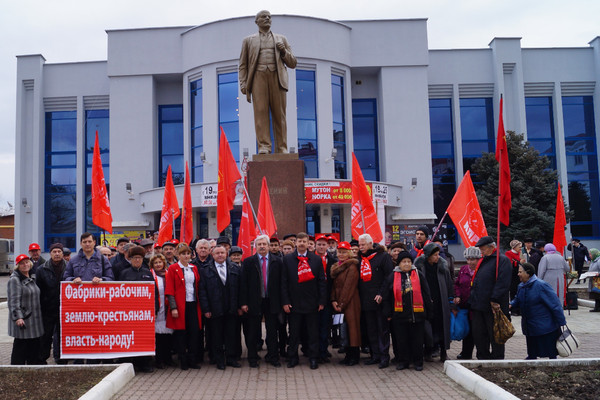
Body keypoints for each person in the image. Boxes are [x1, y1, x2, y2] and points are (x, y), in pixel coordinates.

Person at [239, 10, 297, 154]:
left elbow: (293, 63)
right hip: (258, 77)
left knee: (280, 115)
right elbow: (243, 64)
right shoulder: (248, 40)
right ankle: (264, 147)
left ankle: (282, 147)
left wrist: (283, 52)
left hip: (277, 78)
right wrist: (243, 83)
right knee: (260, 114)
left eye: (269, 17)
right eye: (263, 17)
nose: (267, 19)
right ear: (256, 21)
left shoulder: (281, 39)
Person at [281, 232, 326, 370]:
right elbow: (284, 282)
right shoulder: (288, 259)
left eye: (304, 241)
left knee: (312, 333)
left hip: (312, 303)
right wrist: (285, 301)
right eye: (299, 241)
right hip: (294, 303)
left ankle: (313, 358)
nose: (301, 243)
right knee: (294, 333)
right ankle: (293, 357)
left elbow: (321, 282)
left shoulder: (316, 259)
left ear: (308, 243)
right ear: (295, 243)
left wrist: (321, 301)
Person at [382, 251, 432, 371]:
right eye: (404, 262)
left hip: (417, 315)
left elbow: (426, 293)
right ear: (399, 263)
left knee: (418, 340)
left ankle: (418, 362)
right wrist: (388, 313)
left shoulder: (418, 274)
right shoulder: (393, 276)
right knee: (401, 340)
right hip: (399, 314)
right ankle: (403, 361)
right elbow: (386, 296)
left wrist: (429, 311)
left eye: (409, 262)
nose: (406, 264)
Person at [240, 235, 283, 367]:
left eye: (264, 244)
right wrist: (244, 303)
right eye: (259, 244)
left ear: (269, 246)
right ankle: (253, 358)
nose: (262, 246)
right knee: (253, 331)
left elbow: (282, 283)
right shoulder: (248, 262)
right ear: (255, 247)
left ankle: (273, 356)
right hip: (254, 301)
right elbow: (243, 284)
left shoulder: (278, 261)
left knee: (272, 330)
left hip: (272, 301)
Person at [510, 263, 566, 359]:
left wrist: (561, 322)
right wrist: (510, 305)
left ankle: (553, 367)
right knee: (532, 349)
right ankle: (532, 360)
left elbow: (555, 304)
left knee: (550, 351)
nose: (518, 274)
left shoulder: (541, 286)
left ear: (528, 273)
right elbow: (517, 299)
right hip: (529, 325)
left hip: (545, 325)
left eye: (520, 272)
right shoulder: (521, 286)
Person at [468, 236, 512, 360]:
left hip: (493, 306)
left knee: (495, 335)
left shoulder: (502, 260)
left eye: (483, 249)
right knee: (479, 334)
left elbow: (503, 283)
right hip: (478, 305)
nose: (481, 252)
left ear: (492, 247)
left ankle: (497, 358)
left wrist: (495, 299)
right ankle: (483, 357)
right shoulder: (484, 261)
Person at [199, 245, 242, 370]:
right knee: (216, 336)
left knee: (231, 335)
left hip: (231, 308)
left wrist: (239, 306)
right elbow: (202, 291)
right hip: (215, 309)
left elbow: (240, 289)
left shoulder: (234, 268)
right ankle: (219, 360)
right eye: (217, 253)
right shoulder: (206, 270)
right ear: (212, 255)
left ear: (226, 254)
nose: (220, 255)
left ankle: (231, 358)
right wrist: (206, 309)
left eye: (222, 253)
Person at [357, 233, 394, 369]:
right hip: (365, 300)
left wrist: (381, 294)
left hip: (380, 300)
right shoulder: (360, 259)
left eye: (363, 245)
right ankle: (375, 355)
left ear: (370, 243)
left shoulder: (383, 257)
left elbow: (389, 277)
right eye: (359, 245)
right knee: (371, 329)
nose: (360, 247)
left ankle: (384, 357)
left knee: (382, 330)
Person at [414, 243, 456, 362]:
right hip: (426, 303)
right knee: (427, 328)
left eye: (438, 254)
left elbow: (449, 284)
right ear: (428, 256)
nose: (438, 257)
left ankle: (443, 352)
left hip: (441, 303)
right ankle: (427, 351)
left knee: (442, 327)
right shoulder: (420, 268)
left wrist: (450, 300)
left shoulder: (442, 268)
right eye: (435, 255)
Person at [165, 243, 202, 370]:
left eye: (188, 253)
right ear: (178, 255)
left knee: (194, 332)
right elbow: (169, 289)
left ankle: (192, 359)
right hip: (180, 305)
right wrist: (173, 307)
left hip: (193, 304)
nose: (186, 256)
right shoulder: (173, 268)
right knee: (181, 333)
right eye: (183, 254)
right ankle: (183, 360)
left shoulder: (194, 268)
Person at [119, 246, 155, 372]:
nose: (137, 260)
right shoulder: (124, 273)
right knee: (130, 338)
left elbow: (153, 293)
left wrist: (154, 310)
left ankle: (145, 363)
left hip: (144, 314)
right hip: (128, 314)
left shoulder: (147, 273)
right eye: (135, 258)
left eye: (140, 258)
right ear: (130, 259)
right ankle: (131, 363)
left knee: (143, 338)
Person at [8, 254, 44, 365]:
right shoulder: (15, 280)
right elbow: (13, 301)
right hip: (24, 321)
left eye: (27, 262)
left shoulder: (32, 277)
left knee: (33, 348)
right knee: (20, 348)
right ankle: (16, 371)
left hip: (34, 321)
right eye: (22, 263)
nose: (25, 265)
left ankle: (32, 369)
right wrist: (18, 317)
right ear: (17, 266)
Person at [330, 242, 361, 366]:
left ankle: (354, 356)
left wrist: (341, 304)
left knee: (353, 330)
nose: (341, 254)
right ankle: (348, 355)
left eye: (344, 252)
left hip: (351, 302)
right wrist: (333, 300)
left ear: (349, 253)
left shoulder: (352, 267)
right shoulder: (337, 266)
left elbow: (349, 287)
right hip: (340, 302)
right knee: (345, 330)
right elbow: (334, 286)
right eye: (339, 252)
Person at [35, 243, 66, 365]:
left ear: (63, 253)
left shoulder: (69, 267)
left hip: (63, 309)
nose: (57, 254)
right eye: (54, 251)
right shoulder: (41, 269)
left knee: (62, 335)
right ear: (50, 254)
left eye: (59, 251)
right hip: (47, 309)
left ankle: (61, 359)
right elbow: (38, 291)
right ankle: (42, 359)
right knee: (45, 336)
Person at [454, 246, 481, 360]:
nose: (470, 262)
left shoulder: (481, 270)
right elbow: (457, 284)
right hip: (465, 305)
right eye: (468, 259)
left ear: (478, 259)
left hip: (477, 305)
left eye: (473, 259)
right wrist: (457, 295)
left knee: (478, 330)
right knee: (467, 330)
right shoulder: (463, 269)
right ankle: (466, 353)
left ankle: (481, 352)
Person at [315, 234, 337, 362]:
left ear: (328, 246)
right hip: (313, 300)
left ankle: (323, 352)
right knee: (314, 328)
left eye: (324, 244)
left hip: (328, 300)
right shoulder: (309, 259)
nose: (322, 247)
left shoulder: (333, 261)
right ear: (315, 245)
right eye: (319, 244)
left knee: (325, 327)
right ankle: (315, 352)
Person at [149, 254, 174, 369]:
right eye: (156, 263)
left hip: (168, 307)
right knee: (158, 336)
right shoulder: (150, 275)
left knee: (168, 336)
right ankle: (159, 360)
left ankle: (168, 358)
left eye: (160, 262)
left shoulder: (169, 274)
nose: (158, 264)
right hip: (158, 307)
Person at [505, 240, 523, 315]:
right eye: (519, 247)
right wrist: (519, 263)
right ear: (514, 247)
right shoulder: (508, 253)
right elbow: (509, 265)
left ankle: (520, 309)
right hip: (513, 277)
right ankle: (514, 310)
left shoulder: (520, 254)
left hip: (520, 276)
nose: (520, 249)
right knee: (513, 292)